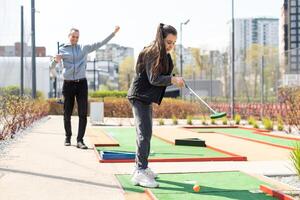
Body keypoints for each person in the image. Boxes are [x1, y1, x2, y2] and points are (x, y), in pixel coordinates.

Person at [127, 23, 184, 187]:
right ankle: (140, 171)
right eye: (169, 42)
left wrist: (174, 78)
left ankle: (141, 168)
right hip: (139, 96)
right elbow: (153, 79)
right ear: (161, 39)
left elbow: (163, 74)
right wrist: (173, 80)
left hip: (145, 97)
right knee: (144, 133)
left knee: (146, 133)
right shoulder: (153, 52)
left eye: (174, 43)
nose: (171, 46)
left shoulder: (164, 55)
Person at [50, 26, 120, 149]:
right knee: (67, 113)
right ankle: (68, 136)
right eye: (73, 36)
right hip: (68, 84)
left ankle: (80, 140)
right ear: (69, 36)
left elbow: (100, 43)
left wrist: (113, 33)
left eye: (77, 37)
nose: (75, 39)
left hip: (82, 84)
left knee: (82, 113)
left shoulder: (84, 48)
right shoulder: (61, 49)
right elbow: (51, 67)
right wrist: (55, 60)